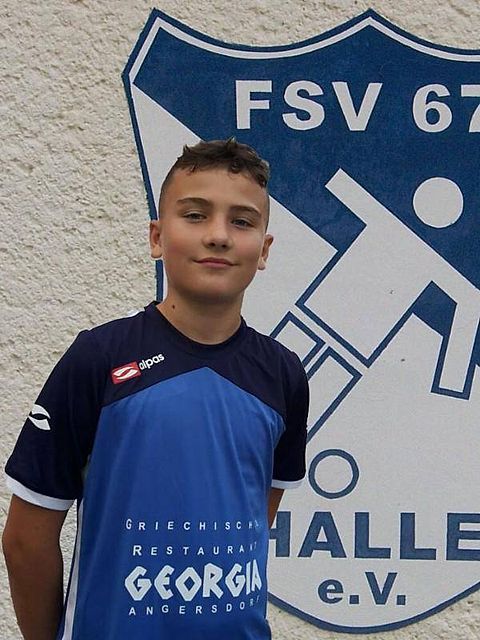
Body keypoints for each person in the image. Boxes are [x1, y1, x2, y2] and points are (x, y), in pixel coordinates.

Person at [3, 138, 309, 640]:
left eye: (241, 221)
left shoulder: (283, 374)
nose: (218, 236)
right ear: (156, 237)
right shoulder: (99, 358)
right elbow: (24, 541)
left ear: (264, 250)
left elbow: (252, 519)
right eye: (195, 215)